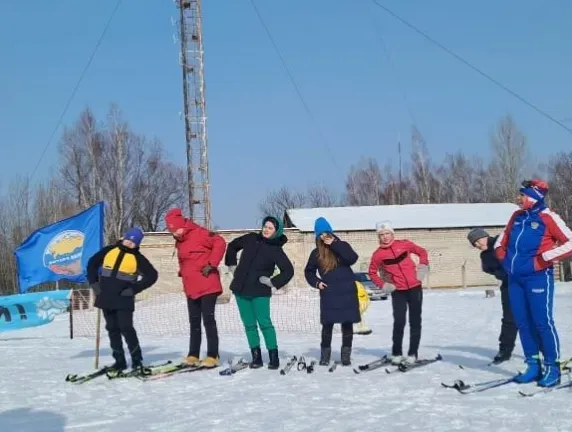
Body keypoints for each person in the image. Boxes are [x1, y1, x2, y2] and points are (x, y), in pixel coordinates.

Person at [494, 179, 572, 387]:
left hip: (538, 277)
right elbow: (501, 241)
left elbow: (570, 243)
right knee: (522, 322)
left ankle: (553, 368)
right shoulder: (516, 216)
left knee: (542, 322)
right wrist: (505, 259)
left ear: (533, 196)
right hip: (515, 278)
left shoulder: (549, 217)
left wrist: (544, 258)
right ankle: (533, 366)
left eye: (522, 195)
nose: (518, 199)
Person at [224, 216, 294, 369]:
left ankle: (273, 357)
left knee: (265, 323)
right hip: (240, 290)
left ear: (276, 232)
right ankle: (256, 357)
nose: (266, 230)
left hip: (260, 292)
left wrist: (272, 282)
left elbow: (288, 270)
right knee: (249, 325)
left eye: (270, 228)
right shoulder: (251, 238)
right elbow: (232, 246)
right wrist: (232, 265)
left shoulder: (276, 250)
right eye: (265, 226)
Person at [87, 227, 158, 373]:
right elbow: (91, 264)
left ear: (137, 244)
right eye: (128, 240)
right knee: (112, 329)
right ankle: (119, 361)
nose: (128, 244)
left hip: (124, 299)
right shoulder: (109, 250)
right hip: (105, 296)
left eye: (133, 243)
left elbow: (152, 276)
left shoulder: (138, 258)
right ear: (123, 238)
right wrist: (94, 284)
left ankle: (137, 360)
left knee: (126, 328)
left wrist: (134, 289)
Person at [165, 208, 227, 369]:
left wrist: (212, 264)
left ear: (182, 225)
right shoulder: (180, 241)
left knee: (208, 319)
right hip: (191, 287)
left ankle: (213, 355)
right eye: (171, 231)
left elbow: (220, 242)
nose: (175, 233)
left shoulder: (199, 233)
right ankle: (193, 354)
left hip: (207, 283)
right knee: (194, 321)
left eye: (176, 229)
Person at [368, 221, 429, 366]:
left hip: (415, 288)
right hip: (398, 291)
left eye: (387, 233)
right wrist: (384, 285)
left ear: (392, 234)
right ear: (378, 237)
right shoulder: (378, 255)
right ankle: (396, 353)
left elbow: (422, 252)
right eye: (381, 235)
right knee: (399, 322)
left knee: (415, 321)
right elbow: (372, 272)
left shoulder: (405, 244)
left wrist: (422, 268)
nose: (385, 237)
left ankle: (412, 353)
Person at [304, 217, 360, 366]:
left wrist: (335, 244)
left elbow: (352, 258)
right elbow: (308, 272)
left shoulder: (342, 246)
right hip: (329, 293)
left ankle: (345, 356)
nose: (324, 237)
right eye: (320, 234)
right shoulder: (316, 253)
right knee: (327, 325)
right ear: (317, 237)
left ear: (331, 233)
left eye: (326, 233)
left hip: (347, 292)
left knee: (347, 325)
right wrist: (317, 282)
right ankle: (325, 356)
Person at [467, 227, 518, 364]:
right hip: (508, 286)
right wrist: (499, 273)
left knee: (535, 319)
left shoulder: (501, 241)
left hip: (525, 283)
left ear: (485, 236)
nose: (478, 244)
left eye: (479, 240)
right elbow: (487, 269)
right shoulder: (484, 255)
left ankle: (546, 351)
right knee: (509, 319)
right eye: (474, 243)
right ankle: (504, 350)